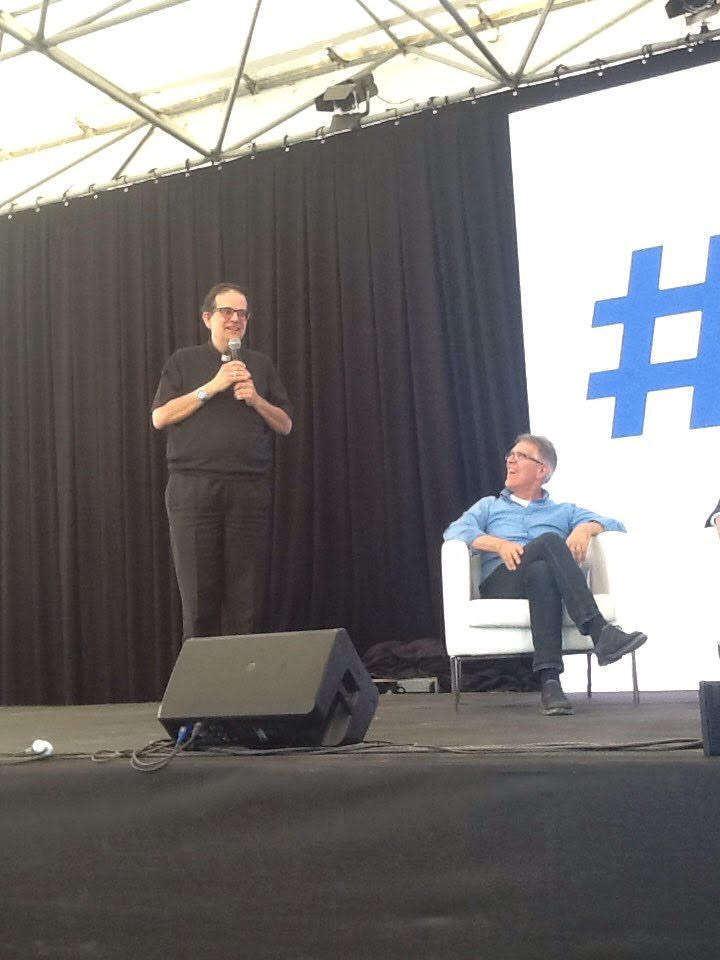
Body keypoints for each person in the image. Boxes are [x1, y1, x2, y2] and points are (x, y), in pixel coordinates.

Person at [443, 434, 647, 716]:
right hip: (503, 583)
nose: (511, 461)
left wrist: (585, 528)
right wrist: (498, 544)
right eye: (510, 456)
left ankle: (551, 684)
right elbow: (455, 531)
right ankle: (599, 631)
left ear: (542, 470)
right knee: (550, 541)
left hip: (543, 585)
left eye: (520, 456)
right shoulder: (489, 506)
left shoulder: (564, 511)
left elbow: (616, 524)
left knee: (541, 572)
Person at [152, 282, 292, 641]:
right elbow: (160, 417)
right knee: (200, 598)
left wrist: (256, 400)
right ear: (207, 318)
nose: (235, 319)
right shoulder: (183, 361)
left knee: (247, 599)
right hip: (193, 490)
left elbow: (285, 424)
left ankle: (243, 675)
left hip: (248, 490)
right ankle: (202, 677)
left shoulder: (260, 365)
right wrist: (212, 387)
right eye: (227, 311)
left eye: (242, 313)